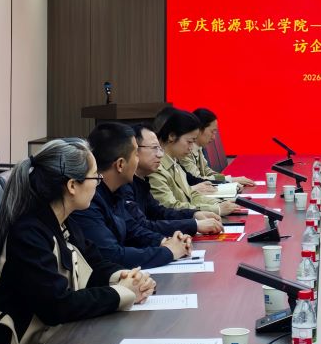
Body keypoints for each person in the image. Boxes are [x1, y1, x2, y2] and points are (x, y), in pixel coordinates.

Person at [0, 139, 155, 344]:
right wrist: (122, 293)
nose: (98, 184)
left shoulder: (63, 221)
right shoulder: (28, 233)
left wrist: (127, 278)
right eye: (95, 177)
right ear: (72, 186)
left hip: (46, 340)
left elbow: (94, 264)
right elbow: (57, 306)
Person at [69, 123, 191, 268]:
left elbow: (133, 230)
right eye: (136, 155)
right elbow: (112, 255)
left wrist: (165, 241)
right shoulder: (88, 201)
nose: (137, 161)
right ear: (120, 164)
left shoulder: (116, 191)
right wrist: (168, 252)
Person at [123, 124, 223, 237]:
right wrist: (194, 225)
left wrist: (194, 215)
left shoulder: (141, 179)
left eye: (159, 149)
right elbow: (141, 227)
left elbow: (159, 212)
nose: (160, 155)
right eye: (154, 148)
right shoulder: (124, 185)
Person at [148, 108, 243, 216]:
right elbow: (170, 207)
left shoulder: (174, 162)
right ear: (172, 136)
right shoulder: (156, 167)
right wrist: (216, 209)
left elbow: (191, 195)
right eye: (189, 142)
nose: (191, 148)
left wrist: (218, 203)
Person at [180, 108, 255, 189]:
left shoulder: (198, 147)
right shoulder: (185, 151)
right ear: (199, 129)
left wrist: (228, 179)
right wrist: (230, 180)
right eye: (212, 132)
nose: (214, 137)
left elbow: (208, 172)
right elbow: (198, 179)